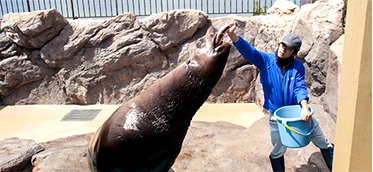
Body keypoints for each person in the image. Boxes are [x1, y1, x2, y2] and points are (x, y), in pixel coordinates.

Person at [226, 20, 334, 171]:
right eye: (282, 44)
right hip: (276, 116)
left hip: (296, 112)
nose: (282, 49)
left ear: (294, 53)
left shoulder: (298, 67)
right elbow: (249, 51)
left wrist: (305, 108)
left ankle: (337, 165)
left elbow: (300, 87)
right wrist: (232, 34)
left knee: (321, 139)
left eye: (287, 48)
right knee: (278, 149)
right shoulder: (266, 61)